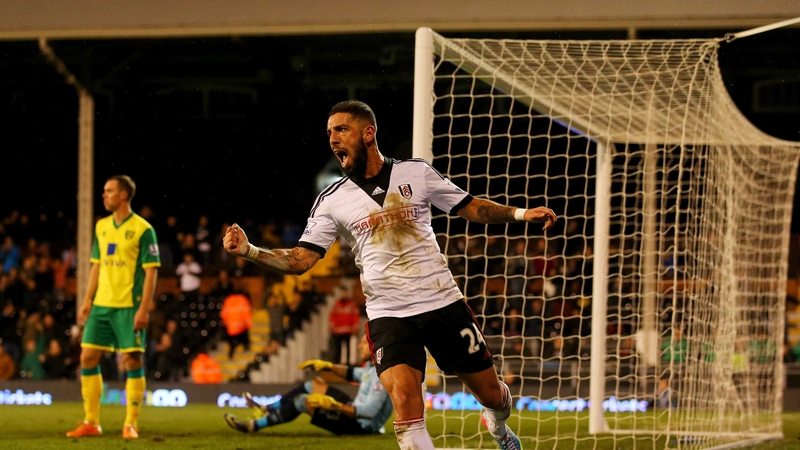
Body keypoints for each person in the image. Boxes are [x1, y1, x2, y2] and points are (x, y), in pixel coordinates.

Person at [222, 100, 556, 450]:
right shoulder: (331, 200)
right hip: (389, 315)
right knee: (406, 411)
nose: (333, 139)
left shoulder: (416, 173)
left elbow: (470, 207)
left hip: (441, 301)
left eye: (341, 129)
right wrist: (249, 250)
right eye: (329, 132)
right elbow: (300, 260)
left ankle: (498, 426)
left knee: (493, 395)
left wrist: (519, 214)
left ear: (368, 133)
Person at [66, 175, 161, 440]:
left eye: (109, 191)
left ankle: (130, 423)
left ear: (123, 195)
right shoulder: (102, 226)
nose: (103, 195)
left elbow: (151, 273)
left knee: (132, 361)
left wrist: (144, 309)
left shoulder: (144, 230)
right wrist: (87, 300)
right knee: (87, 357)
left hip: (129, 307)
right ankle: (91, 422)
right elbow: (96, 265)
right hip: (101, 306)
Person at [224, 334, 392, 436]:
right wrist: (327, 366)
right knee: (312, 385)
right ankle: (267, 409)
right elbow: (351, 373)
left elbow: (369, 412)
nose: (359, 346)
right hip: (354, 411)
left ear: (372, 347)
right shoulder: (371, 368)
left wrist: (336, 406)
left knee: (302, 401)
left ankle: (253, 426)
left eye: (363, 343)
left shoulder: (381, 375)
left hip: (362, 427)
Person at [328, 285, 360, 364]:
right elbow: (332, 316)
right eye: (342, 293)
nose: (344, 295)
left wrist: (355, 327)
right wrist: (332, 326)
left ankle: (348, 363)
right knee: (337, 348)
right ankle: (337, 363)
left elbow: (355, 316)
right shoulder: (336, 304)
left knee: (348, 348)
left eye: (345, 293)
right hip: (338, 331)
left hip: (348, 331)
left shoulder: (352, 305)